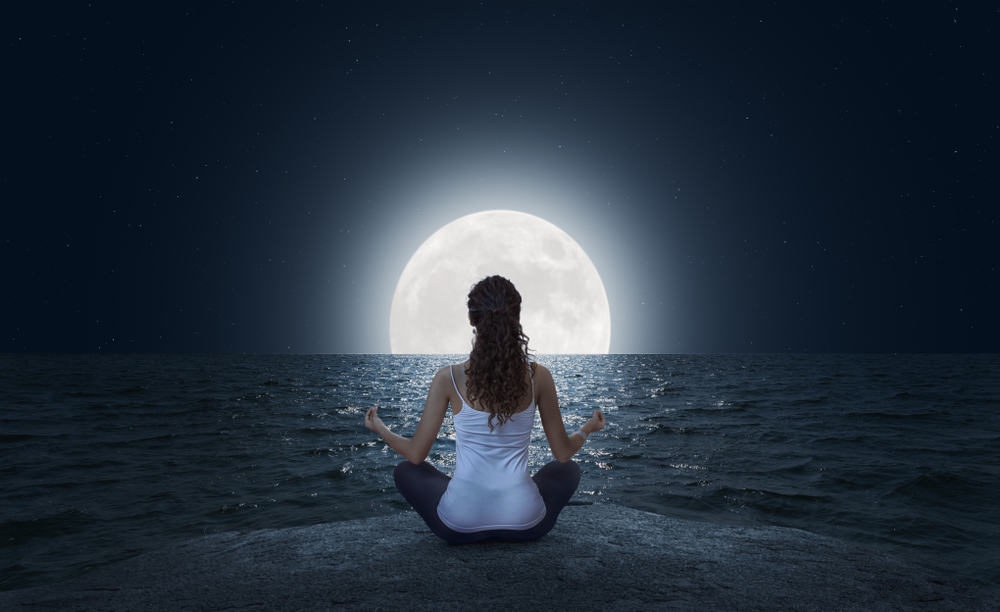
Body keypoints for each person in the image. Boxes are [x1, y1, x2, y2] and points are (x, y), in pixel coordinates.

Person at [364, 275, 606, 543]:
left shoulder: (448, 378)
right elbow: (562, 454)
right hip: (527, 524)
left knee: (405, 471)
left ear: (471, 319)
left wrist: (380, 427)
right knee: (568, 470)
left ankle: (468, 498)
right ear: (517, 316)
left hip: (457, 526)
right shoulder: (541, 377)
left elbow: (415, 454)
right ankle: (513, 500)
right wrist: (588, 428)